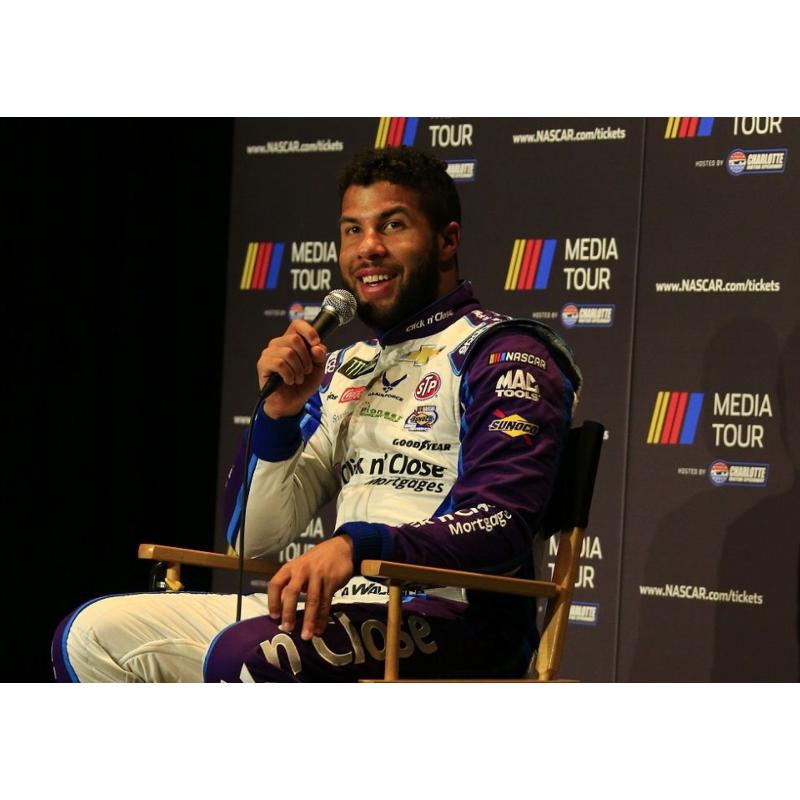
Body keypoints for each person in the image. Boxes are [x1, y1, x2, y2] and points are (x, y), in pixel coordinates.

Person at [52, 146, 581, 682]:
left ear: (446, 240)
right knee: (93, 634)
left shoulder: (503, 351)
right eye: (352, 230)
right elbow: (253, 540)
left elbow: (502, 525)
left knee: (251, 655)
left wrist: (357, 545)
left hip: (458, 619)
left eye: (392, 225)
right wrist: (280, 414)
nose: (367, 248)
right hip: (340, 611)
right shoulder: (349, 367)